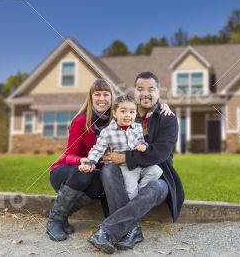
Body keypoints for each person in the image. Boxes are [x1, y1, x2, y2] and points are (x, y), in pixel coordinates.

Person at [46, 79, 173, 242]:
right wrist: (85, 161)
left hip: (94, 171)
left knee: (103, 180)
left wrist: (162, 106)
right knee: (86, 174)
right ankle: (55, 220)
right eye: (97, 94)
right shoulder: (82, 121)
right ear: (91, 98)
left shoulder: (118, 119)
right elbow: (69, 155)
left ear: (112, 99)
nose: (101, 99)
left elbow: (140, 112)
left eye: (106, 94)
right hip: (67, 171)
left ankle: (64, 215)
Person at [88, 71, 184, 254]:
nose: (145, 93)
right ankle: (133, 230)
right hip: (125, 175)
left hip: (157, 175)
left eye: (151, 89)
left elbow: (160, 153)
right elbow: (97, 111)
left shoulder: (167, 118)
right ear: (135, 91)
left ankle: (107, 230)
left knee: (157, 187)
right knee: (108, 170)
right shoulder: (126, 112)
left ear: (158, 92)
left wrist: (124, 157)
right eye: (140, 89)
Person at [83, 94, 163, 200]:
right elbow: (97, 149)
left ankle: (141, 190)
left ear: (135, 113)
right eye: (123, 111)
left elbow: (141, 141)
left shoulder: (137, 128)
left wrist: (143, 146)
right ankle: (134, 201)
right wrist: (89, 163)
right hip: (126, 167)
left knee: (157, 171)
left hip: (139, 162)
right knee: (131, 193)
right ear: (115, 113)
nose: (128, 115)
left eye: (132, 112)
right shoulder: (108, 132)